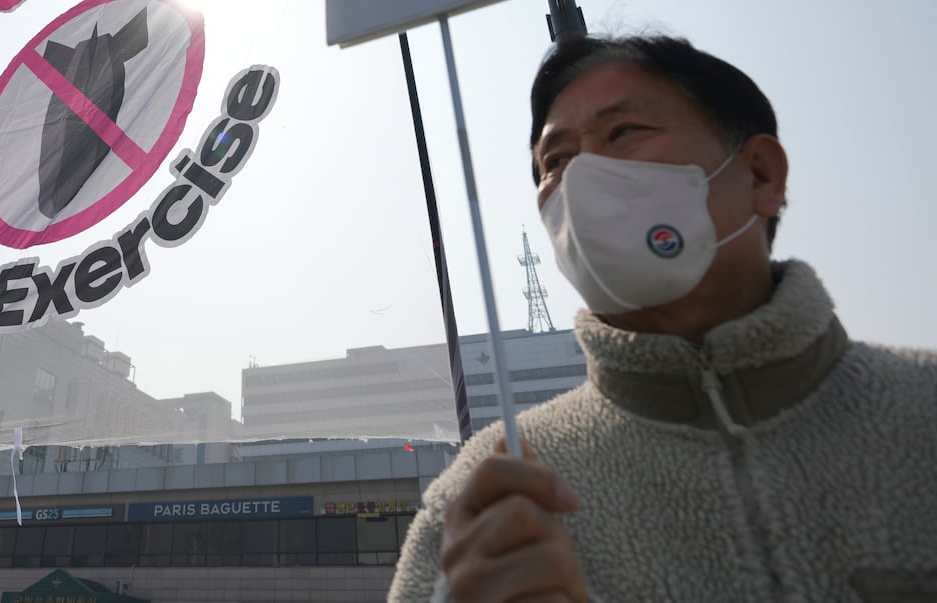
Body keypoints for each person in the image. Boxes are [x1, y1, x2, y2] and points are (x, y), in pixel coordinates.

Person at [389, 34, 937, 603]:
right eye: (556, 160)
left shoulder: (922, 408)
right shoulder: (489, 498)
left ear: (761, 175)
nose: (580, 180)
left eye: (622, 133)